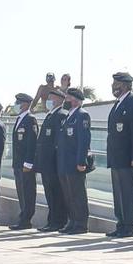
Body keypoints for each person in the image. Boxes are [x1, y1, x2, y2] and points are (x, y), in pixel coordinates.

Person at [104, 73, 133, 237]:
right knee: (118, 193)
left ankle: (130, 226)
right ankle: (121, 223)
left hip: (128, 158)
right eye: (113, 83)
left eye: (117, 84)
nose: (114, 87)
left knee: (128, 193)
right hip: (117, 158)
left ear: (127, 85)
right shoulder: (118, 104)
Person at [58, 90, 94, 234]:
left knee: (78, 194)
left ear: (76, 100)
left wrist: (81, 161)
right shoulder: (68, 116)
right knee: (69, 194)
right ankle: (72, 221)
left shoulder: (82, 115)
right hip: (64, 162)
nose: (66, 100)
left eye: (68, 97)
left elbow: (83, 141)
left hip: (75, 163)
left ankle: (80, 224)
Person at [39, 88, 69, 233]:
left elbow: (60, 141)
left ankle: (58, 221)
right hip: (46, 162)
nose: (48, 101)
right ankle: (51, 221)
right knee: (49, 192)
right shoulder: (50, 116)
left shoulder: (62, 115)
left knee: (57, 193)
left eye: (51, 98)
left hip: (54, 162)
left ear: (59, 100)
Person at [9, 92, 39, 229]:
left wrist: (28, 162)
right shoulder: (19, 119)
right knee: (21, 191)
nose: (17, 105)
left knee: (27, 191)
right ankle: (23, 217)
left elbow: (31, 142)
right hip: (18, 163)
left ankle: (26, 219)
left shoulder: (30, 119)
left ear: (26, 104)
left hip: (26, 163)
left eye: (19, 102)